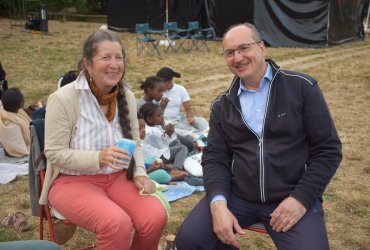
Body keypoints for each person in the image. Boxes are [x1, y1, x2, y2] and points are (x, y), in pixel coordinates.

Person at [176, 23, 342, 250]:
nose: (238, 58)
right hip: (239, 197)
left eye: (244, 48)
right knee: (190, 240)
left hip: (291, 196)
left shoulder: (302, 88)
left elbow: (328, 150)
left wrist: (301, 199)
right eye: (229, 53)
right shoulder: (222, 105)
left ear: (262, 48)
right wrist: (217, 204)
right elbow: (215, 158)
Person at [39, 29, 167, 250]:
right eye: (105, 57)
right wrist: (98, 157)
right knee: (116, 223)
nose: (114, 64)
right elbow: (54, 153)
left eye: (119, 57)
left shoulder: (125, 95)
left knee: (155, 216)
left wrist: (139, 173)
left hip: (117, 178)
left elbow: (135, 141)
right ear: (87, 63)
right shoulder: (64, 98)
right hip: (71, 181)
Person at [139, 103, 189, 182]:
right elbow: (163, 147)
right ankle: (176, 169)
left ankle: (170, 165)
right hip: (157, 156)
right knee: (182, 148)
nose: (162, 117)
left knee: (177, 143)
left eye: (162, 114)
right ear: (149, 119)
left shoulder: (155, 126)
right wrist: (168, 133)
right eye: (159, 116)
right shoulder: (151, 131)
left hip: (156, 154)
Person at [156, 67, 209, 138]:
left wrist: (191, 119)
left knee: (201, 121)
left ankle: (211, 137)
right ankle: (203, 140)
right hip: (167, 121)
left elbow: (188, 110)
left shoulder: (180, 89)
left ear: (169, 81)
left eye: (161, 82)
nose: (159, 85)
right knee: (188, 130)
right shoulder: (156, 91)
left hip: (180, 118)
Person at [0, 88, 31, 157]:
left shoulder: (16, 112)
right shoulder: (12, 124)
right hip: (17, 157)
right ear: (21, 103)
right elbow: (20, 151)